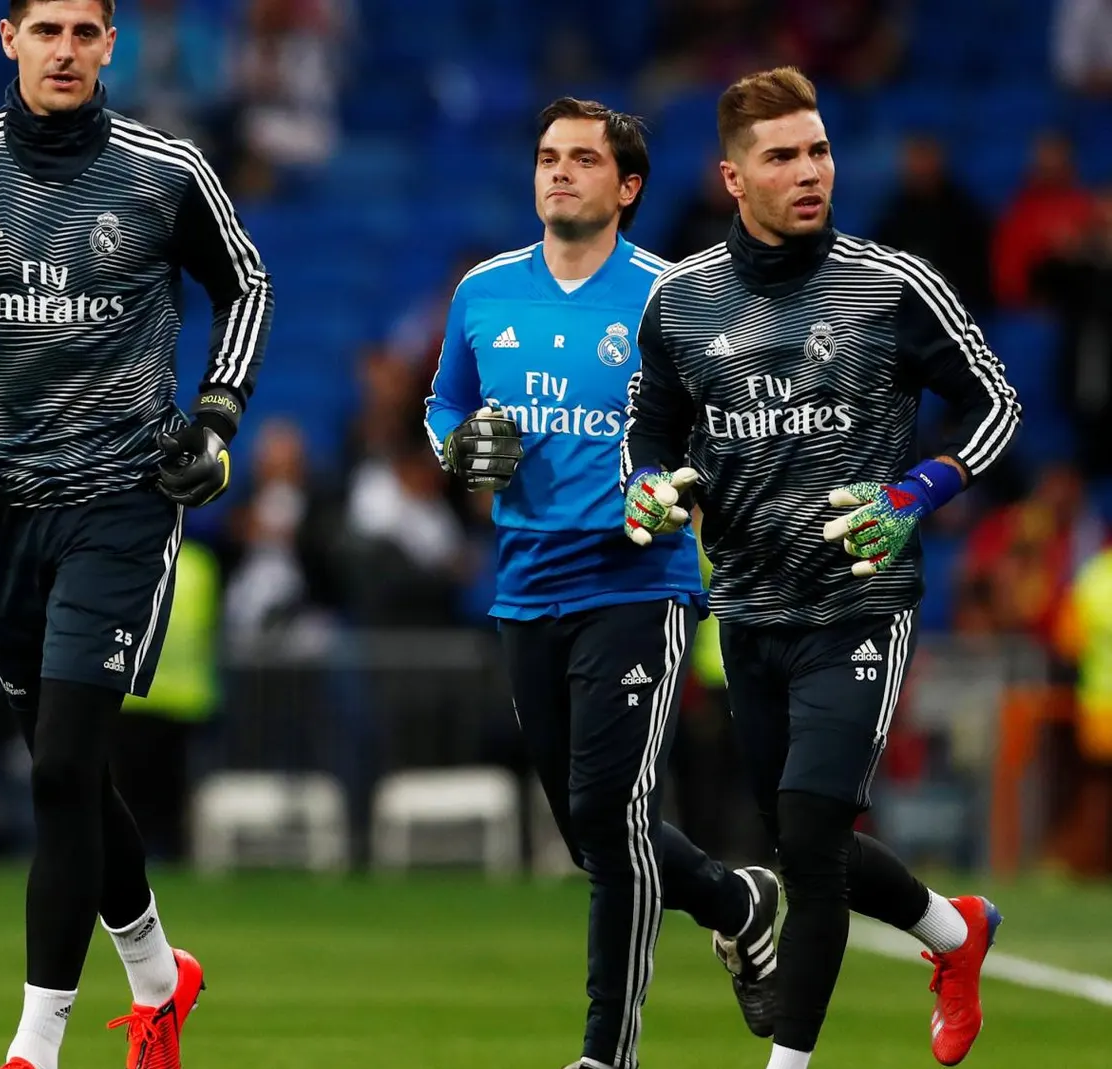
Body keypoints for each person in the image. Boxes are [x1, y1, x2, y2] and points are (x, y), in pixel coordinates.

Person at [0, 2, 274, 1068]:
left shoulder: (163, 169)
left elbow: (247, 284)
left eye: (87, 30)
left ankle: (35, 1044)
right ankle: (158, 976)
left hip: (120, 501)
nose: (67, 50)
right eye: (48, 29)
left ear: (110, 45)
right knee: (64, 768)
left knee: (60, 769)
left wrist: (216, 415)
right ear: (8, 39)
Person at [621, 67, 1021, 1069]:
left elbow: (995, 408)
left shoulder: (893, 284)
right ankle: (953, 931)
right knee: (814, 846)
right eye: (782, 156)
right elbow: (651, 435)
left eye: (819, 150)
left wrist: (913, 495)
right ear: (732, 177)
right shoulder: (677, 303)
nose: (809, 172)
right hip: (747, 612)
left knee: (804, 848)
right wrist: (653, 489)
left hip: (861, 602)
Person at [424, 97, 779, 1069]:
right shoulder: (482, 291)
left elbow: (728, 427)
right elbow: (444, 403)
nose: (558, 172)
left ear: (626, 188)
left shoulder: (676, 296)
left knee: (612, 823)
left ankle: (603, 1054)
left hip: (636, 579)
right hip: (524, 581)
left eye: (582, 159)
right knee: (592, 830)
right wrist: (459, 449)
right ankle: (737, 900)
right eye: (546, 156)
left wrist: (680, 486)